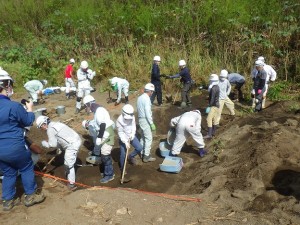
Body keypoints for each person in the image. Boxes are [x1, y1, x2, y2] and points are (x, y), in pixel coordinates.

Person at [0, 68, 45, 211]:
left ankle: (7, 201)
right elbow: (27, 121)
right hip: (14, 146)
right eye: (9, 85)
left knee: (9, 172)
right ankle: (30, 196)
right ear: (5, 85)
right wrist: (30, 109)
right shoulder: (13, 106)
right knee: (26, 167)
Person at [36, 115, 82, 191]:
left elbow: (52, 144)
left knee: (68, 164)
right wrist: (60, 148)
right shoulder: (56, 123)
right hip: (74, 139)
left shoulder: (50, 129)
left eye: (41, 127)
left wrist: (45, 144)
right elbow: (60, 137)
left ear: (44, 124)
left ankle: (71, 184)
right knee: (68, 160)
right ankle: (70, 170)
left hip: (72, 144)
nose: (42, 129)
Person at [82, 95, 115, 183]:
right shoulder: (97, 110)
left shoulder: (99, 111)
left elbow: (103, 125)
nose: (85, 109)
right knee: (105, 154)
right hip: (105, 133)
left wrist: (99, 138)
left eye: (85, 106)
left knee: (104, 155)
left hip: (107, 134)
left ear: (88, 104)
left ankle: (109, 175)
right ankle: (107, 170)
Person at [116, 104, 143, 173]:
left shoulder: (132, 116)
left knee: (139, 148)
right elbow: (120, 133)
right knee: (123, 154)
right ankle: (122, 169)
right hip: (124, 139)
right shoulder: (119, 121)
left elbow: (133, 126)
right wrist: (125, 142)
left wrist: (132, 134)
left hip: (131, 136)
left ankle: (131, 156)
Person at [137, 83, 156, 162]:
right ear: (150, 91)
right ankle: (146, 156)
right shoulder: (147, 99)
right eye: (152, 92)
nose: (152, 93)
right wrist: (151, 123)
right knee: (149, 138)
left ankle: (141, 153)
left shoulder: (140, 98)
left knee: (143, 137)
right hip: (145, 120)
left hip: (140, 119)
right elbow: (147, 112)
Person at [204, 74, 220, 139]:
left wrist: (209, 106)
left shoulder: (213, 88)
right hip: (217, 105)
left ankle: (209, 134)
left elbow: (212, 98)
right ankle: (214, 132)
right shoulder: (217, 87)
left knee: (208, 119)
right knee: (214, 119)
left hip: (213, 105)